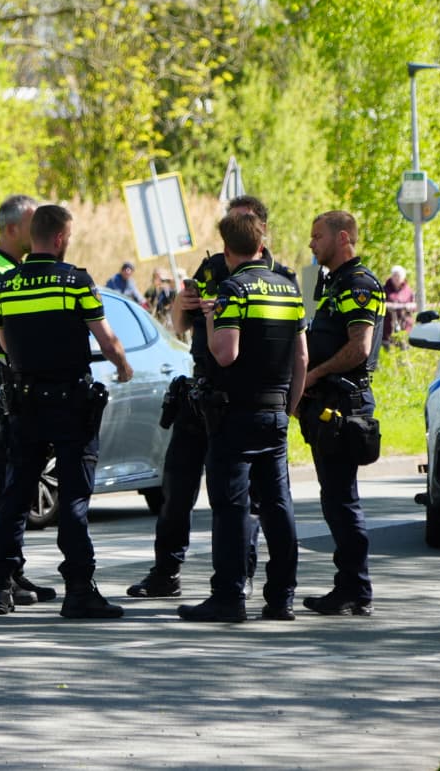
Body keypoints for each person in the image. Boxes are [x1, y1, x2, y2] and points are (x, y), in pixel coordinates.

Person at [125, 195, 281, 600]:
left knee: (243, 498)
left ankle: (240, 576)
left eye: (242, 224)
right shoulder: (212, 267)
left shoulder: (277, 277)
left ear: (260, 230)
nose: (232, 233)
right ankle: (166, 571)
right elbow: (179, 327)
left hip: (242, 400)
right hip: (200, 392)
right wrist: (182, 304)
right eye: (229, 224)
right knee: (176, 488)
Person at [0, 204, 133, 619]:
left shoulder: (6, 285)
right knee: (74, 496)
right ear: (62, 238)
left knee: (15, 492)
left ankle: (0, 586)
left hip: (25, 401)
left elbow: (3, 343)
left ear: (33, 235)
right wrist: (122, 366)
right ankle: (79, 589)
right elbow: (105, 338)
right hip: (70, 401)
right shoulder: (75, 282)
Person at [178, 211, 306, 624]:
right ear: (261, 244)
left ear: (228, 250)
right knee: (278, 506)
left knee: (232, 508)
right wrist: (289, 407)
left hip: (235, 413)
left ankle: (229, 596)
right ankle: (282, 596)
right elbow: (301, 357)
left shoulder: (233, 289)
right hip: (276, 411)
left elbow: (225, 353)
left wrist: (213, 314)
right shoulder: (288, 289)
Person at [0, 194, 57, 607]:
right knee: (7, 483)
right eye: (31, 220)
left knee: (19, 484)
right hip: (7, 386)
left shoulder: (18, 271)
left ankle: (11, 569)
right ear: (11, 228)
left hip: (25, 386)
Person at [298, 210, 384, 617]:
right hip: (325, 402)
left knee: (341, 501)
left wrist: (314, 374)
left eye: (318, 236)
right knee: (334, 499)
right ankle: (349, 586)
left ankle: (356, 589)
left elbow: (359, 348)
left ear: (343, 237)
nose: (312, 244)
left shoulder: (358, 284)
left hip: (344, 404)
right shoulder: (328, 283)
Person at [382, 265, 415, 350]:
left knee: (404, 352)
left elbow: (414, 306)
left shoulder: (408, 290)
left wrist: (409, 306)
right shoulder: (385, 289)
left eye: (398, 276)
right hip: (388, 328)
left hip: (404, 327)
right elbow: (379, 304)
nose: (396, 278)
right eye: (394, 275)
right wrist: (390, 306)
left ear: (403, 277)